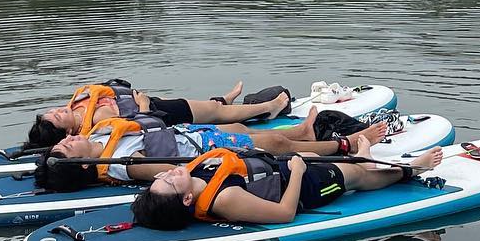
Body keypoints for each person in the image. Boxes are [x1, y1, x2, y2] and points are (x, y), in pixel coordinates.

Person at [33, 110, 392, 193]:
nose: (65, 141)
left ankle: (303, 129)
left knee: (245, 129)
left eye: (63, 141)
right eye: (66, 148)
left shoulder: (103, 131)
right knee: (276, 145)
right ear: (82, 165)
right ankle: (348, 144)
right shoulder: (124, 164)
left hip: (190, 134)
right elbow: (170, 170)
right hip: (203, 149)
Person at [130, 143, 423, 231]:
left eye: (162, 177)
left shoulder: (196, 173)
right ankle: (410, 170)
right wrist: (297, 172)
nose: (168, 173)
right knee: (357, 176)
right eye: (170, 182)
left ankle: (367, 161)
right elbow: (285, 213)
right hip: (306, 187)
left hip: (282, 168)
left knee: (312, 155)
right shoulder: (225, 199)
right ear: (187, 199)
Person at [25, 78, 291, 150]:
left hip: (154, 102)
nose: (58, 110)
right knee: (216, 114)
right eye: (57, 117)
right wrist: (141, 104)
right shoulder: (96, 124)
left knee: (211, 109)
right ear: (69, 133)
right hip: (159, 114)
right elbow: (137, 126)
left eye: (53, 111)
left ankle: (224, 99)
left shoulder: (78, 107)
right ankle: (270, 107)